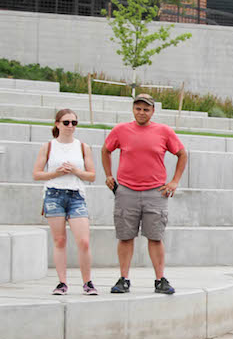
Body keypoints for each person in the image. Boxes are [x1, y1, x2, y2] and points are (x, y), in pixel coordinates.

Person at [101, 93, 188, 295]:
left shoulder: (164, 131)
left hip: (155, 192)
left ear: (152, 111)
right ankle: (123, 279)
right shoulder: (121, 130)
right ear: (133, 109)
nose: (142, 112)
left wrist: (174, 181)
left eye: (146, 109)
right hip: (126, 191)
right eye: (138, 108)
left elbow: (182, 153)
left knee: (155, 237)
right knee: (125, 236)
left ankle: (160, 280)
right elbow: (106, 150)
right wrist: (108, 175)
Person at [32, 109, 96, 295]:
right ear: (57, 124)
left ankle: (88, 282)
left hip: (76, 195)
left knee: (83, 241)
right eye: (66, 122)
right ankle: (62, 282)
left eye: (73, 123)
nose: (70, 126)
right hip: (54, 194)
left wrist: (75, 170)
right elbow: (37, 174)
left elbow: (91, 175)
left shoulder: (83, 147)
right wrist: (57, 173)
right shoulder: (48, 147)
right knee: (59, 240)